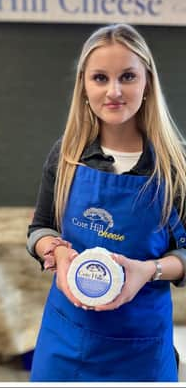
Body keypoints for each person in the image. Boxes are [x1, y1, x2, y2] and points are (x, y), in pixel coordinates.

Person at [27, 23, 186, 382]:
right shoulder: (66, 156)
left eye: (127, 76)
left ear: (147, 82)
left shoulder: (176, 167)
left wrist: (148, 271)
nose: (114, 91)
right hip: (66, 338)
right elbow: (39, 228)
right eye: (100, 78)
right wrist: (57, 251)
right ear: (84, 85)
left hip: (141, 345)